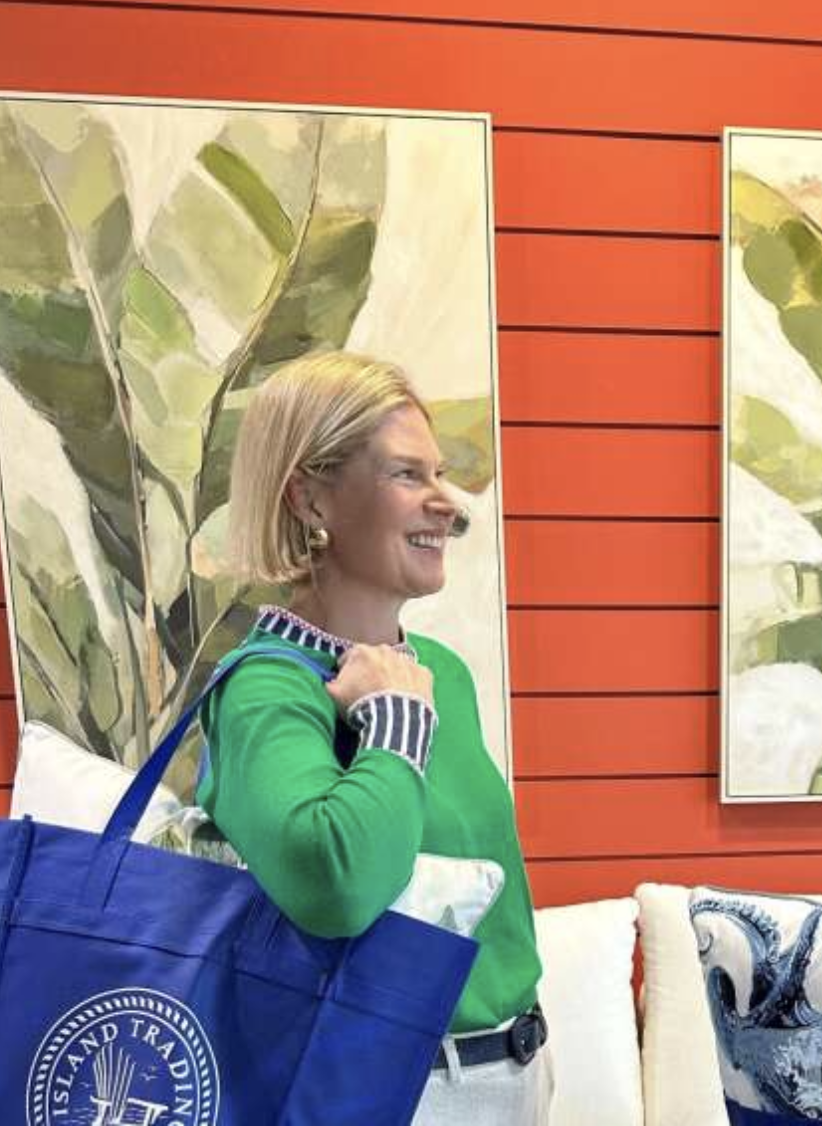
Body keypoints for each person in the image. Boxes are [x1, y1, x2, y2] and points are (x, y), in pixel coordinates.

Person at [200, 351, 551, 1121]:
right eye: (406, 475)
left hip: (517, 1070)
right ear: (309, 497)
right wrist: (395, 722)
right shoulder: (266, 689)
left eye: (440, 474)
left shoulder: (440, 673)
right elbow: (335, 888)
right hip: (396, 1091)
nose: (445, 503)